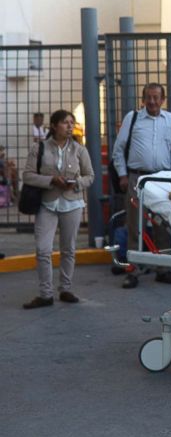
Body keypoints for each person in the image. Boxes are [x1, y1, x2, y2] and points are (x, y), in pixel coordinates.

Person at [111, 83, 171, 288]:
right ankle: (133, 270)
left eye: (156, 97)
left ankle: (163, 269)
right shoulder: (132, 118)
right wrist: (123, 175)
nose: (152, 101)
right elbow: (118, 149)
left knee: (164, 226)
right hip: (137, 180)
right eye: (148, 97)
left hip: (163, 181)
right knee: (135, 227)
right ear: (143, 100)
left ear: (163, 99)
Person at [21, 110, 94, 309]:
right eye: (65, 123)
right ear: (53, 126)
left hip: (72, 203)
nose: (70, 126)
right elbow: (27, 175)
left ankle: (65, 289)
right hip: (47, 203)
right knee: (43, 249)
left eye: (72, 122)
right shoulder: (40, 148)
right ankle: (45, 294)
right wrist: (51, 180)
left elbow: (90, 176)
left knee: (68, 249)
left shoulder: (79, 149)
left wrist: (76, 183)